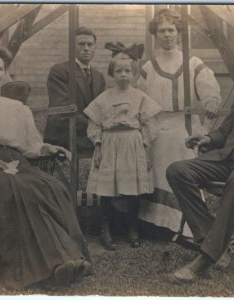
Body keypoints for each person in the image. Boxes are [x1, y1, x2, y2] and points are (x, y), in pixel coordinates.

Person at [165, 42, 234, 283]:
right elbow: (224, 133)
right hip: (226, 158)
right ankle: (213, 240)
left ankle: (204, 260)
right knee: (177, 170)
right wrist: (208, 137)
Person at [0, 44, 91, 289]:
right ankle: (48, 265)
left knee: (49, 186)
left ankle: (66, 259)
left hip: (16, 162)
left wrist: (47, 149)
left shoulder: (17, 109)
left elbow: (30, 144)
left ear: (5, 73)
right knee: (8, 189)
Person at [137, 8, 222, 235]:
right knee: (157, 164)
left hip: (185, 125)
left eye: (171, 30)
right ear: (155, 34)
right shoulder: (148, 68)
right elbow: (139, 99)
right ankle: (157, 225)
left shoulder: (193, 63)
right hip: (157, 126)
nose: (166, 35)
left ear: (178, 34)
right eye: (162, 31)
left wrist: (211, 100)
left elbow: (209, 88)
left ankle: (185, 224)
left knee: (182, 157)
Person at [84, 42, 162, 250]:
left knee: (132, 191)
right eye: (118, 71)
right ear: (112, 73)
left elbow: (150, 126)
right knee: (107, 190)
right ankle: (106, 229)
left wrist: (145, 148)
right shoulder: (104, 98)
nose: (123, 75)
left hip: (132, 144)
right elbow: (94, 125)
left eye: (127, 71)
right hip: (109, 144)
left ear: (134, 73)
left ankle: (132, 228)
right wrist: (98, 146)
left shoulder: (140, 97)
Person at [44, 26, 106, 158]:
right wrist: (95, 127)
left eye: (90, 44)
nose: (86, 48)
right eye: (81, 44)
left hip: (89, 136)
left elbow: (102, 109)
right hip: (66, 136)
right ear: (72, 47)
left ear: (95, 47)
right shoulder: (60, 71)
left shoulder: (98, 76)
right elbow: (62, 110)